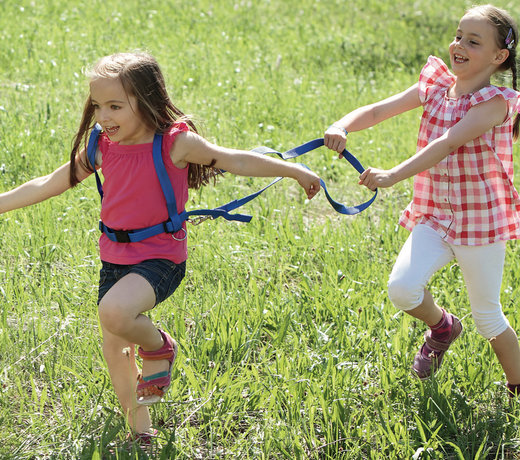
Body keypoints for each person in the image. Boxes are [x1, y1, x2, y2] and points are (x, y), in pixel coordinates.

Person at [0, 51, 321, 441]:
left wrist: (294, 169)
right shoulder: (102, 144)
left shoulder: (175, 143)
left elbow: (235, 160)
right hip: (114, 257)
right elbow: (52, 182)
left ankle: (160, 348)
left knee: (114, 312)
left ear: (147, 101)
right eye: (98, 106)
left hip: (160, 257)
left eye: (115, 106)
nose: (103, 117)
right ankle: (141, 432)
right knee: (115, 347)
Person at [325, 5, 520, 396]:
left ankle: (518, 385)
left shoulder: (495, 103)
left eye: (473, 41)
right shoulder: (436, 85)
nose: (458, 45)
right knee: (402, 288)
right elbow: (380, 109)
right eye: (459, 35)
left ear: (499, 57)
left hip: (478, 223)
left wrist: (393, 175)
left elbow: (447, 143)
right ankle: (443, 326)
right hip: (434, 215)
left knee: (487, 316)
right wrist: (342, 124)